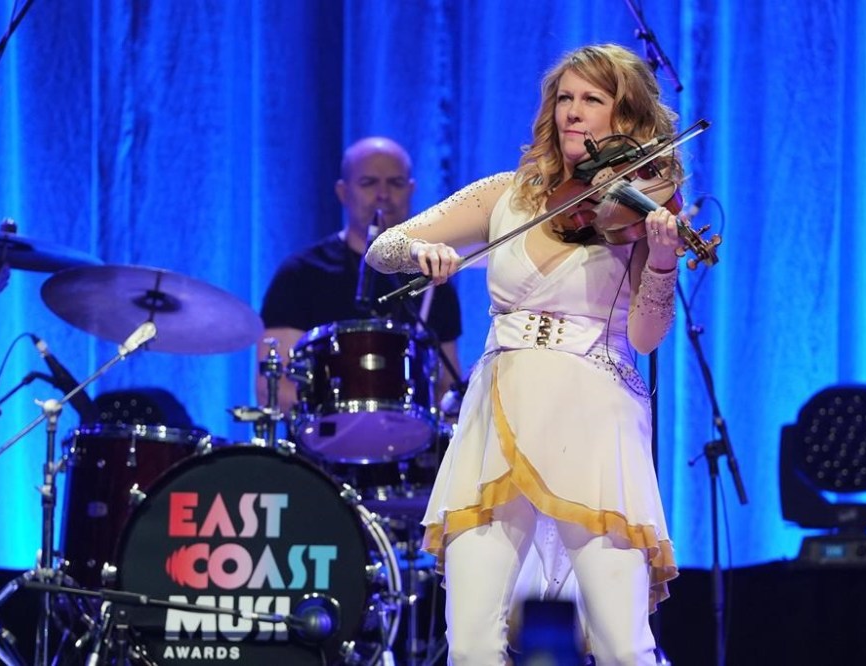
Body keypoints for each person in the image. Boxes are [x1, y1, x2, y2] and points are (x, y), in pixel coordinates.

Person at [366, 44, 682, 665]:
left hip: (593, 420)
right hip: (497, 415)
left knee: (621, 645)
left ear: (626, 117)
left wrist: (664, 261)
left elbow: (646, 338)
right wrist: (420, 254)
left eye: (592, 99)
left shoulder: (640, 207)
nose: (573, 112)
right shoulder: (504, 195)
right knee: (471, 643)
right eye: (564, 98)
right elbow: (384, 247)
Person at [257, 136, 463, 415]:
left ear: (411, 189)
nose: (383, 194)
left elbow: (446, 387)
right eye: (369, 183)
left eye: (396, 183)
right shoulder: (300, 275)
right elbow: (271, 387)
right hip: (325, 437)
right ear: (343, 192)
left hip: (411, 438)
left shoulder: (433, 277)